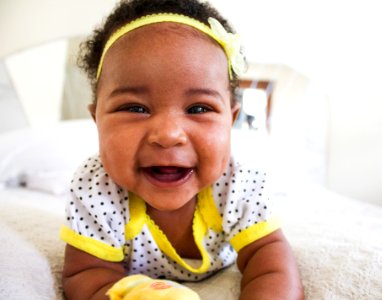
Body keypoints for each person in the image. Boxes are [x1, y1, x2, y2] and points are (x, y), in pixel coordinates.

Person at [60, 0, 303, 299]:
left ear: (231, 121)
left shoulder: (240, 183)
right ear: (97, 119)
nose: (168, 135)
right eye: (135, 108)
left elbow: (270, 264)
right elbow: (86, 274)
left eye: (198, 108)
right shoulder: (95, 187)